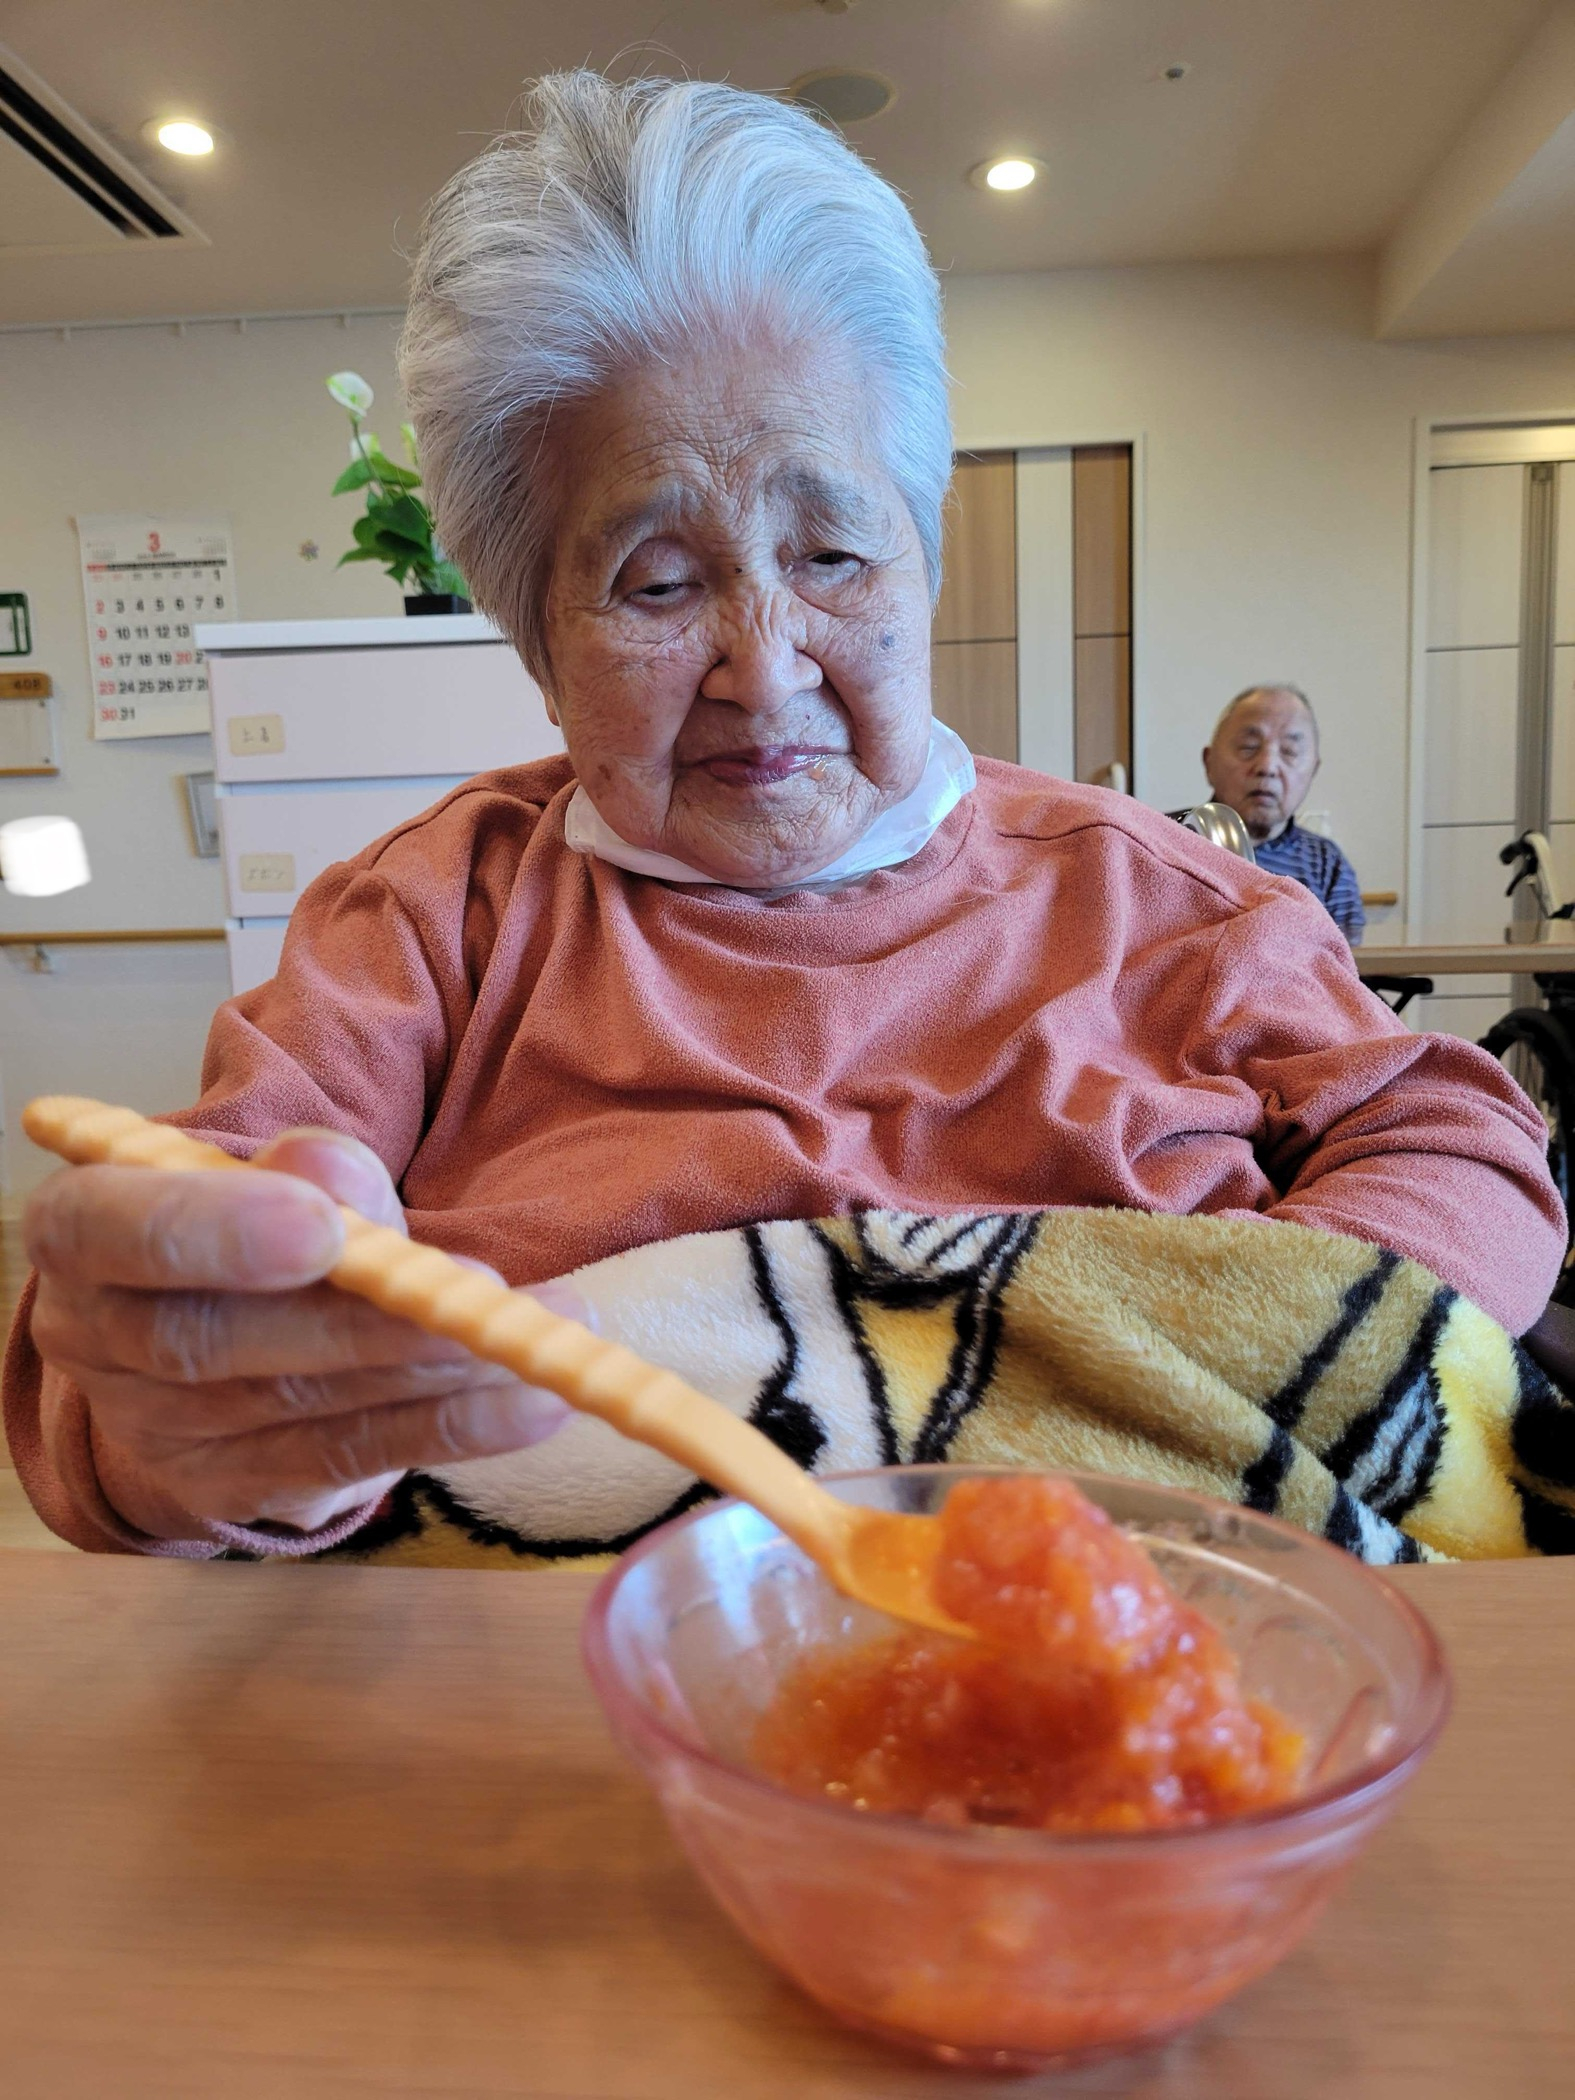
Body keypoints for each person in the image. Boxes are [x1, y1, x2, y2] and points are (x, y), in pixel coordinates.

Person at [6, 72, 1562, 1560]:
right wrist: (212, 1397)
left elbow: (1461, 1145)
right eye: (655, 584)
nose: (763, 669)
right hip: (545, 1693)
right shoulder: (427, 924)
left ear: (920, 569)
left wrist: (1245, 1358)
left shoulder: (1167, 904)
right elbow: (120, 1393)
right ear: (537, 642)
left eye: (829, 559)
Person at [1200, 684, 1366, 943]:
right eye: (1248, 747)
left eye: (1289, 752)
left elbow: (1346, 961)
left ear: (1313, 771)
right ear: (1209, 762)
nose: (1267, 767)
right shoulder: (1162, 842)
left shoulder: (1327, 865)